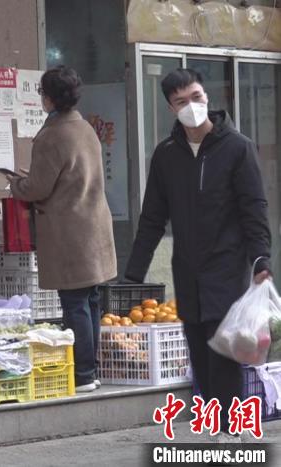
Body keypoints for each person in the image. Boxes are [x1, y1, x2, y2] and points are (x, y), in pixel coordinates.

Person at [124, 68, 272, 438]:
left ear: (206, 96)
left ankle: (230, 430)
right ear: (170, 108)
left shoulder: (237, 147)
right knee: (200, 352)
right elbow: (152, 217)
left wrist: (261, 259)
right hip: (187, 269)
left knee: (223, 349)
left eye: (196, 96)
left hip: (228, 264)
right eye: (181, 101)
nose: (191, 106)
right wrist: (133, 273)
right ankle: (218, 426)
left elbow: (254, 209)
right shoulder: (167, 155)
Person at [9, 66, 117, 393]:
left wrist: (17, 184)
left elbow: (38, 188)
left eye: (42, 93)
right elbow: (69, 175)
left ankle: (82, 374)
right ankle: (92, 369)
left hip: (68, 230)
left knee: (74, 303)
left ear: (49, 96)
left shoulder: (52, 133)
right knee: (91, 300)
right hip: (94, 224)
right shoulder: (84, 127)